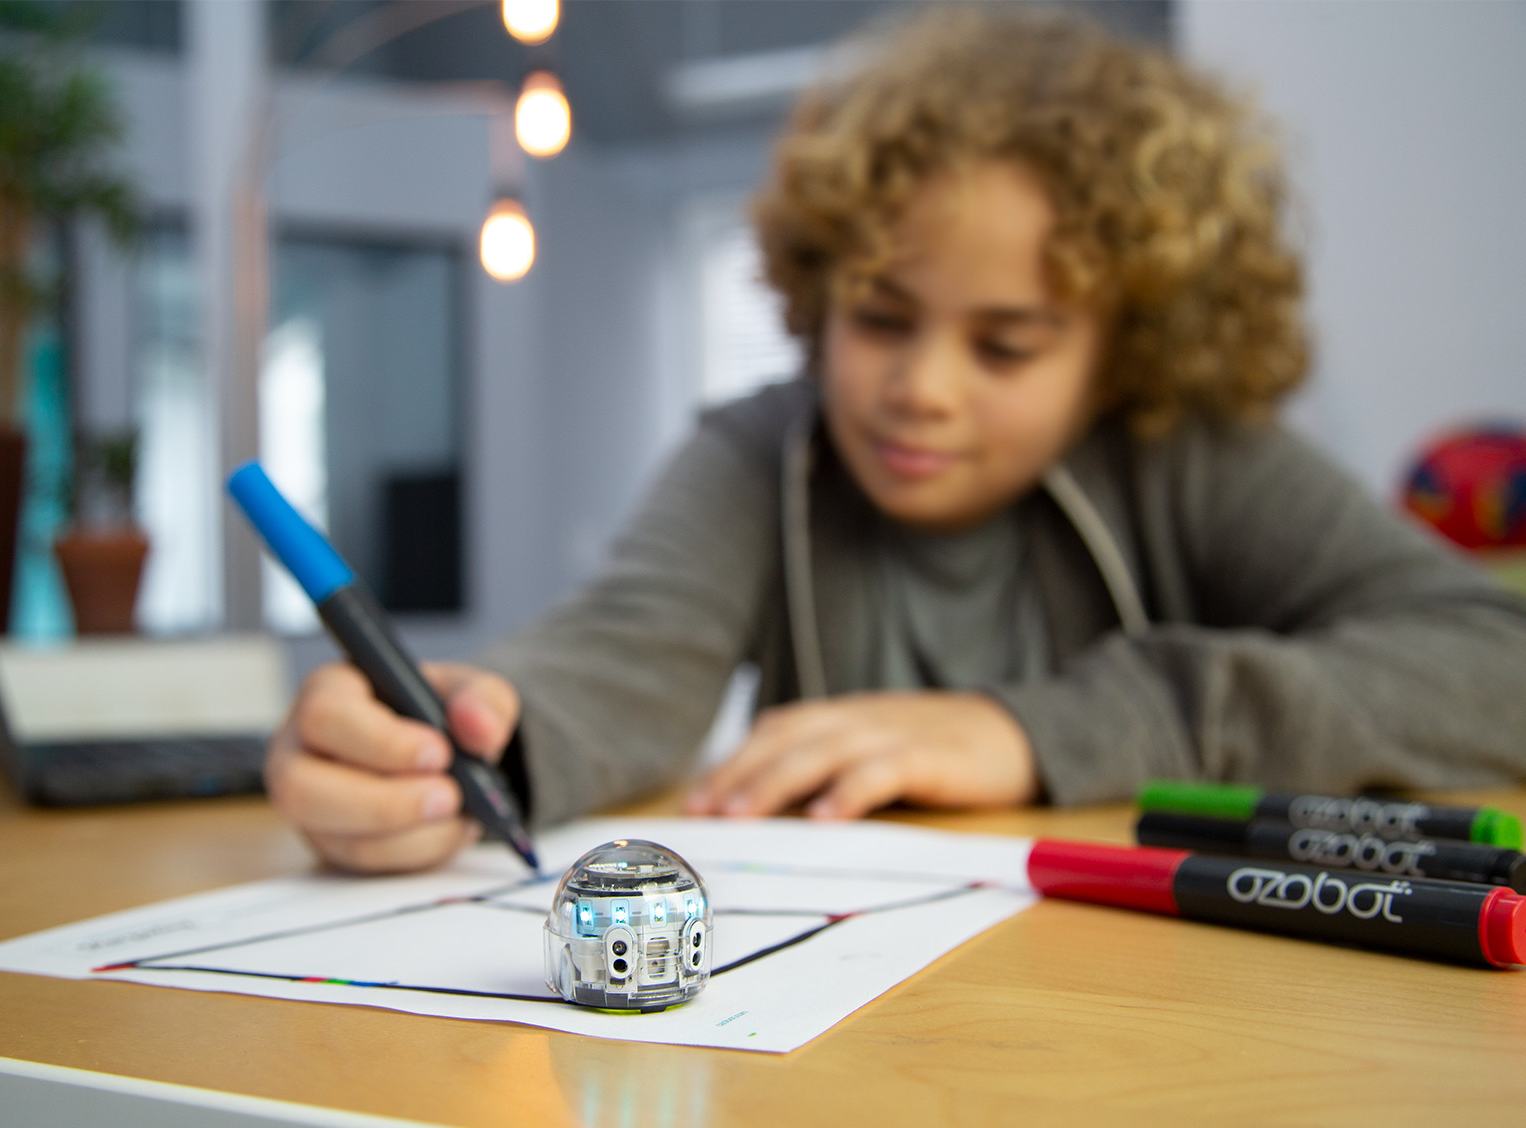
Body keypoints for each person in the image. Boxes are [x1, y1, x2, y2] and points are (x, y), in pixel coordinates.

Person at [265, 10, 1526, 874]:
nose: (918, 390)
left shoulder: (1186, 454)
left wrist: (1042, 730)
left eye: (1008, 345)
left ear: (1123, 347)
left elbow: (1489, 663)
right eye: (879, 317)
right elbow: (624, 657)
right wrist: (474, 741)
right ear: (818, 291)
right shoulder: (758, 455)